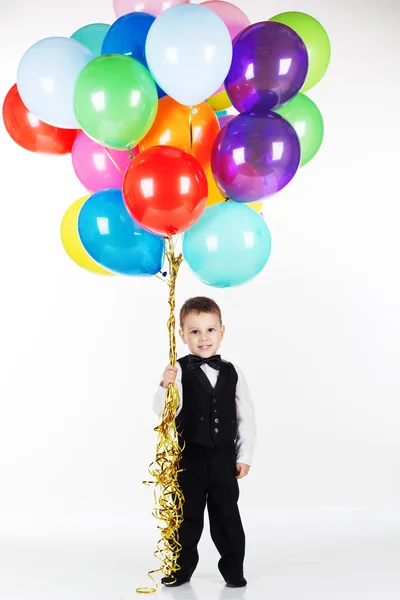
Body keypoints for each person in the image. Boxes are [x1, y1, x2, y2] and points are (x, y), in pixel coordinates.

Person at [152, 296, 256, 588]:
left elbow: (245, 416)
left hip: (223, 459)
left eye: (210, 329)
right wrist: (165, 385)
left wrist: (244, 454)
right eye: (195, 331)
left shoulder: (232, 372)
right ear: (182, 335)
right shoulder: (179, 372)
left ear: (222, 331)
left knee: (227, 516)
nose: (203, 337)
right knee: (186, 516)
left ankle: (233, 568)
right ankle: (181, 568)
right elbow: (163, 411)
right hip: (189, 459)